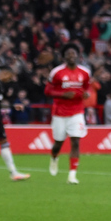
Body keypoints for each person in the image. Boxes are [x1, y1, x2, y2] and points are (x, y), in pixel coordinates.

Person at [44, 43, 91, 185]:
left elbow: (86, 89)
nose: (71, 56)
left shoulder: (85, 72)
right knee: (58, 143)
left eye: (73, 53)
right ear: (64, 57)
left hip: (77, 112)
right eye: (68, 54)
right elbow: (47, 91)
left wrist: (86, 94)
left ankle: (72, 175)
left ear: (78, 56)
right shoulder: (56, 72)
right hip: (59, 113)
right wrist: (63, 94)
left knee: (75, 141)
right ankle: (54, 158)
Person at [0, 71, 30, 181]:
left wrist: (12, 105)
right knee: (3, 142)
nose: (9, 80)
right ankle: (13, 172)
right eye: (9, 78)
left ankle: (14, 172)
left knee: (3, 142)